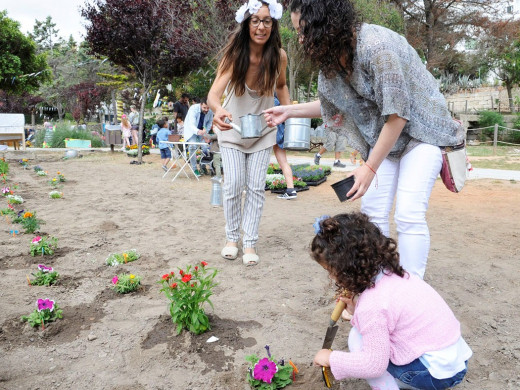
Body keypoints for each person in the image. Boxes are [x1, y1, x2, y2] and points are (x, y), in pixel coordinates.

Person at [264, 0, 465, 278]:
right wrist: (289, 111)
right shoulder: (333, 59)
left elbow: (399, 114)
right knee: (371, 213)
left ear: (325, 25)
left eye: (303, 31)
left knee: (407, 214)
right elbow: (334, 104)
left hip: (422, 133)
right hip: (387, 138)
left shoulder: (376, 47)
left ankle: (411, 290)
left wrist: (370, 168)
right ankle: (377, 285)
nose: (300, 39)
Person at [311, 212, 472, 390]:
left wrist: (331, 358)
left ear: (347, 267)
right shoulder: (394, 274)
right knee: (364, 334)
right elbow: (390, 317)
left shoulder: (373, 303)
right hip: (454, 362)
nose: (332, 277)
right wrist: (357, 310)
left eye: (331, 270)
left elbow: (373, 365)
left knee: (357, 339)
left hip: (432, 374)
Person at [208, 0, 289, 266]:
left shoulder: (279, 56)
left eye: (267, 21)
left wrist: (288, 113)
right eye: (256, 20)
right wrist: (218, 110)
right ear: (247, 24)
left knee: (255, 188)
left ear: (273, 24)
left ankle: (250, 242)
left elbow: (282, 86)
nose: (261, 26)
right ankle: (232, 239)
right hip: (232, 129)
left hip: (262, 131)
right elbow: (213, 95)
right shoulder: (235, 56)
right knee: (233, 185)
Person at [183, 97, 214, 177]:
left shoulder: (210, 111)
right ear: (200, 105)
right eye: (204, 108)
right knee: (193, 147)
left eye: (208, 108)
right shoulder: (193, 109)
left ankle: (203, 166)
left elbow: (209, 123)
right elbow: (191, 124)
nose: (206, 110)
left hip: (202, 132)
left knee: (205, 148)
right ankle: (194, 169)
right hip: (192, 131)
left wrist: (205, 132)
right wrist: (198, 131)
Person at [273, 95, 296, 199]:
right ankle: (291, 190)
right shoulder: (279, 98)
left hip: (268, 129)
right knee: (283, 162)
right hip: (279, 131)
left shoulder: (267, 98)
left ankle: (250, 188)